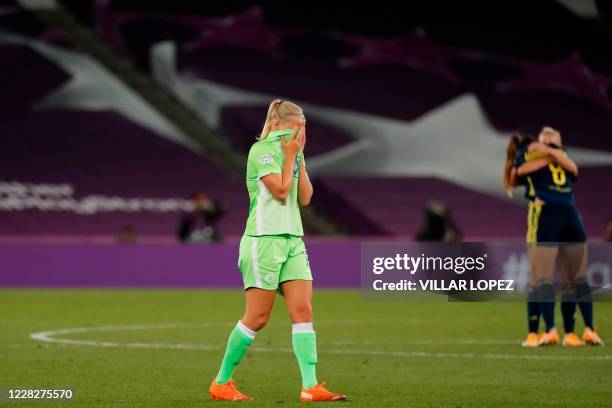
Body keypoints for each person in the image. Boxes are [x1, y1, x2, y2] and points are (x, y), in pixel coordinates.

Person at [209, 99, 346, 402]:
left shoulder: (292, 153)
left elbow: (305, 198)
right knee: (257, 317)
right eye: (298, 127)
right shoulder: (261, 151)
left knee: (303, 311)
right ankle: (221, 382)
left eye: (304, 128)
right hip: (263, 240)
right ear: (278, 125)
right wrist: (290, 157)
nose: (301, 132)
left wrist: (299, 160)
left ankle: (310, 387)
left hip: (293, 239)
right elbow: (281, 191)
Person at [504, 127, 603, 347]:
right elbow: (518, 173)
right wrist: (552, 155)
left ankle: (554, 331)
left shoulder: (537, 153)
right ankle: (577, 331)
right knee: (572, 278)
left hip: (547, 212)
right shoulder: (558, 155)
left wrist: (544, 153)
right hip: (567, 212)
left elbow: (516, 173)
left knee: (546, 279)